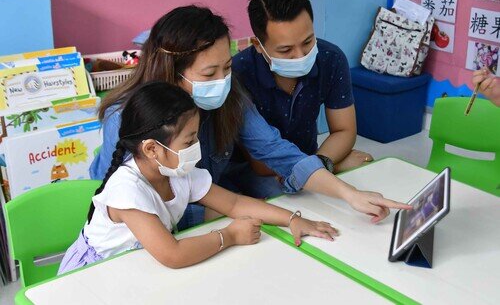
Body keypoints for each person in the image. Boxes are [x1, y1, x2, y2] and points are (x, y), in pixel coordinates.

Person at [90, 5, 410, 231]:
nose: (223, 79)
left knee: (281, 200)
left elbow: (275, 150)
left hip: (212, 194)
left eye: (227, 67)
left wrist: (349, 194)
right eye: (209, 72)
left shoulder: (229, 96)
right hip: (150, 219)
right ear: (171, 75)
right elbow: (127, 210)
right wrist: (219, 227)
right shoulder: (128, 117)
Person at [58, 82, 337, 275]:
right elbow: (173, 254)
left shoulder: (176, 173)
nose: (196, 147)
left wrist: (293, 219)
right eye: (189, 139)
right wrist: (228, 236)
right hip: (95, 276)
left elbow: (236, 204)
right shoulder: (127, 190)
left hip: (141, 267)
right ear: (152, 149)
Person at [233, 0, 373, 178]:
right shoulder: (239, 73)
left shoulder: (330, 59)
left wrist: (321, 163)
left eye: (307, 42)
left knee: (363, 168)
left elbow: (344, 130)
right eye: (286, 50)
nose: (300, 55)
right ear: (258, 45)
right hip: (259, 172)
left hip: (310, 158)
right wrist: (327, 168)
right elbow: (261, 165)